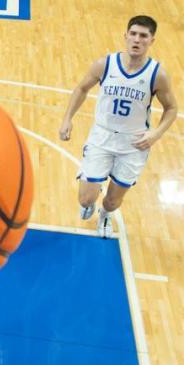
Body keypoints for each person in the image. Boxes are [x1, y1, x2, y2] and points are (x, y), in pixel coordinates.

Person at [58, 15, 178, 238]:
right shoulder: (105, 64)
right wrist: (67, 118)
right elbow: (81, 89)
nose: (137, 39)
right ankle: (92, 196)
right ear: (125, 36)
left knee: (113, 201)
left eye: (143, 36)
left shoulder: (157, 74)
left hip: (134, 142)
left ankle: (105, 214)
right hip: (102, 136)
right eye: (133, 34)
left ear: (152, 40)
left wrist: (156, 134)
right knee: (85, 199)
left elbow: (172, 108)